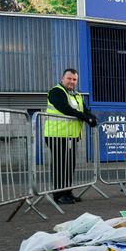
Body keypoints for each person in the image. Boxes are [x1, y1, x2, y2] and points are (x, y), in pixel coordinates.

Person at [43, 69, 97, 205]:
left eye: (74, 79)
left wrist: (91, 117)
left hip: (71, 136)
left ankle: (67, 192)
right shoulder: (56, 91)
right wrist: (85, 118)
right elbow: (65, 109)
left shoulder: (77, 95)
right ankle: (59, 195)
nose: (72, 81)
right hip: (56, 135)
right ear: (62, 78)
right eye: (69, 78)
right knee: (60, 165)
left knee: (69, 165)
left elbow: (84, 110)